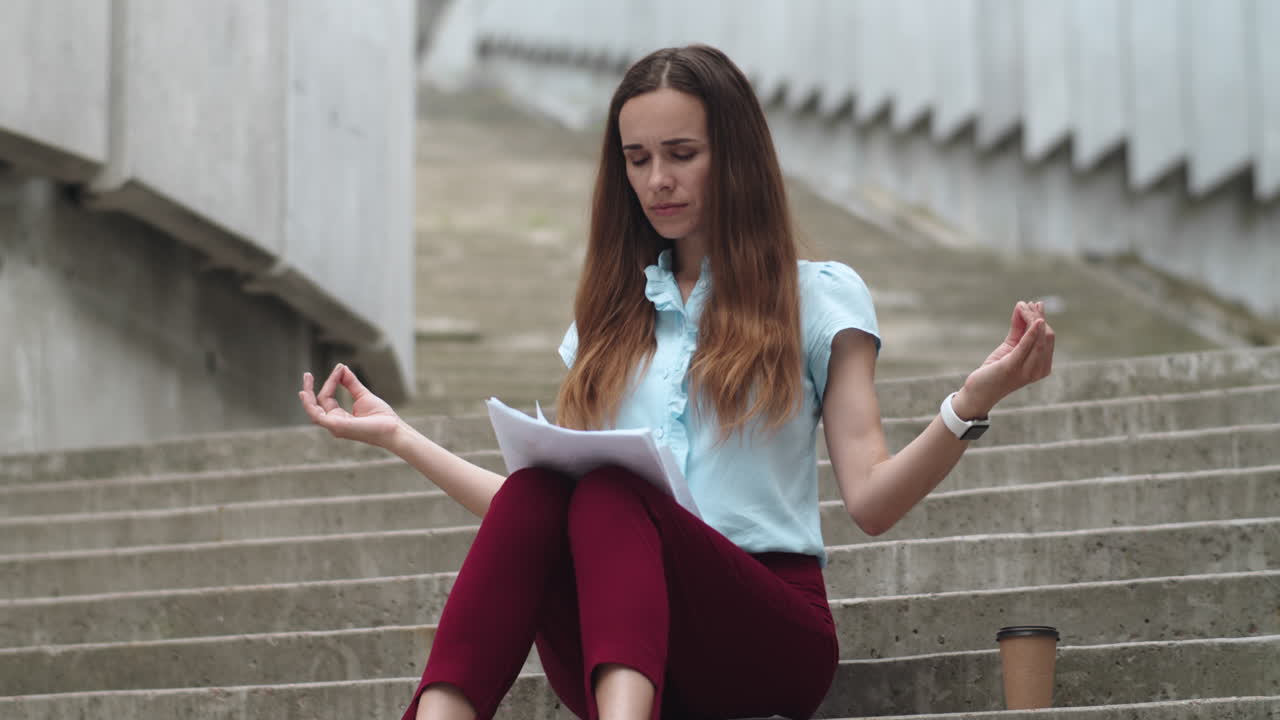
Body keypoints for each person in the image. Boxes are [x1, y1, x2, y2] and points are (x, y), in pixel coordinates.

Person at [298, 44, 1054, 720]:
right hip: (623, 642)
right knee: (551, 493)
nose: (657, 180)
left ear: (734, 155)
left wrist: (970, 404)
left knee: (614, 491)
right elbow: (540, 522)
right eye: (636, 158)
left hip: (766, 631)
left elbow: (872, 502)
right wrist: (399, 435)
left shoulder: (819, 298)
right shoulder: (608, 321)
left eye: (681, 153)